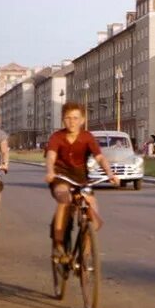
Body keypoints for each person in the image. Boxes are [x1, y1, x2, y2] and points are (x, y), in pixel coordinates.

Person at [45, 103, 120, 262]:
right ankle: (59, 241)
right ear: (63, 120)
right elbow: (51, 155)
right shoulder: (57, 137)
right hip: (61, 176)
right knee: (64, 198)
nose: (72, 122)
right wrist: (50, 171)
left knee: (91, 208)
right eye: (68, 118)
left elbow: (99, 157)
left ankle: (84, 254)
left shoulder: (87, 137)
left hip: (81, 178)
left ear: (83, 120)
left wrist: (110, 173)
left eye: (75, 118)